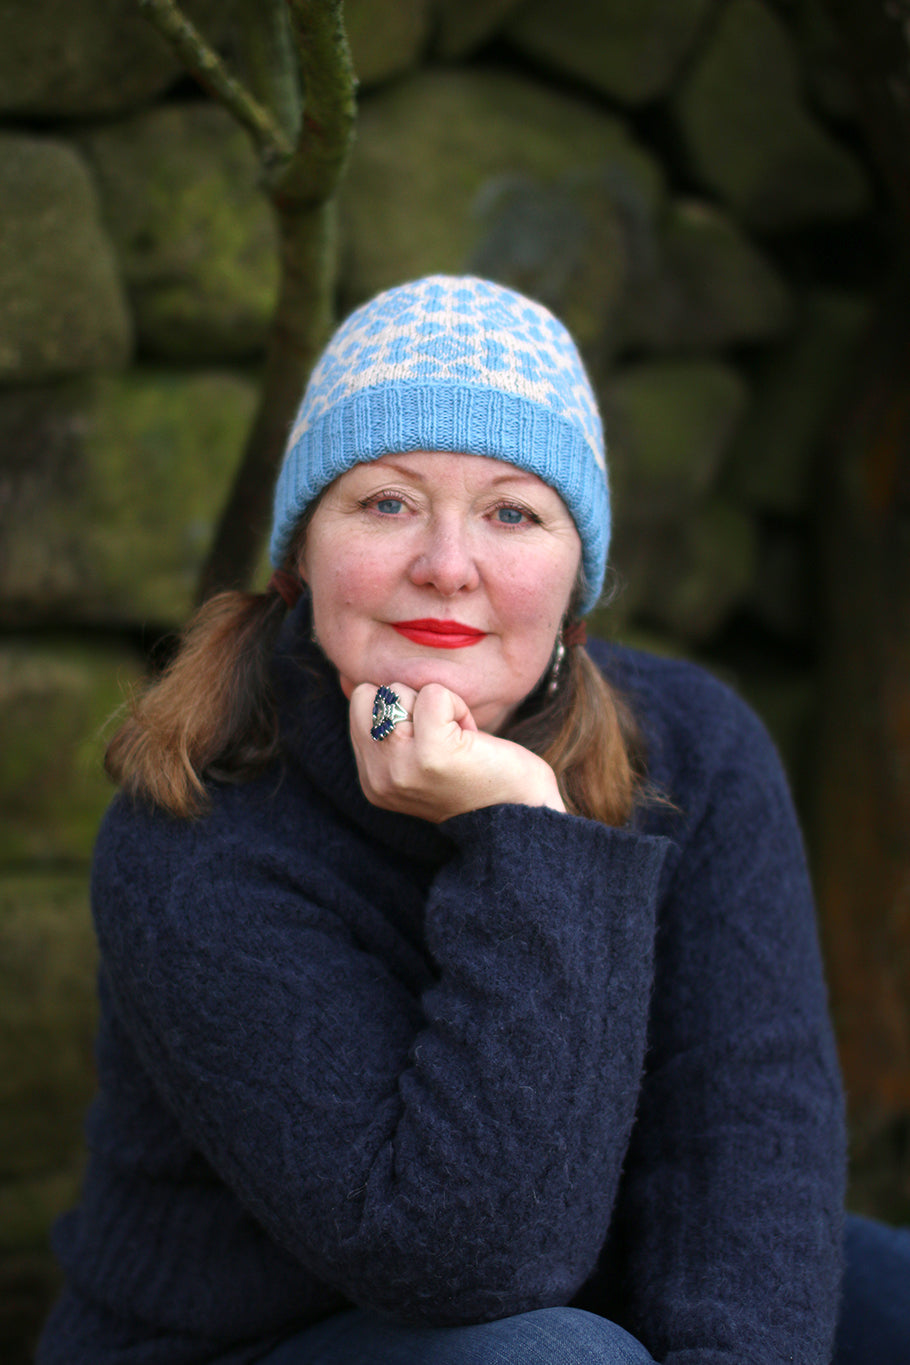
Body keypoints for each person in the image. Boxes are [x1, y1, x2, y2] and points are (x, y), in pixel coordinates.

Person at [37, 275, 909, 1365]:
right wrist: (525, 833)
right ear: (299, 557)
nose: (447, 567)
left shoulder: (697, 751)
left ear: (575, 582)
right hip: (257, 1341)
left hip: (585, 1285)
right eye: (387, 502)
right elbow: (468, 1261)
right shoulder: (198, 822)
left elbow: (744, 1141)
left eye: (512, 513)